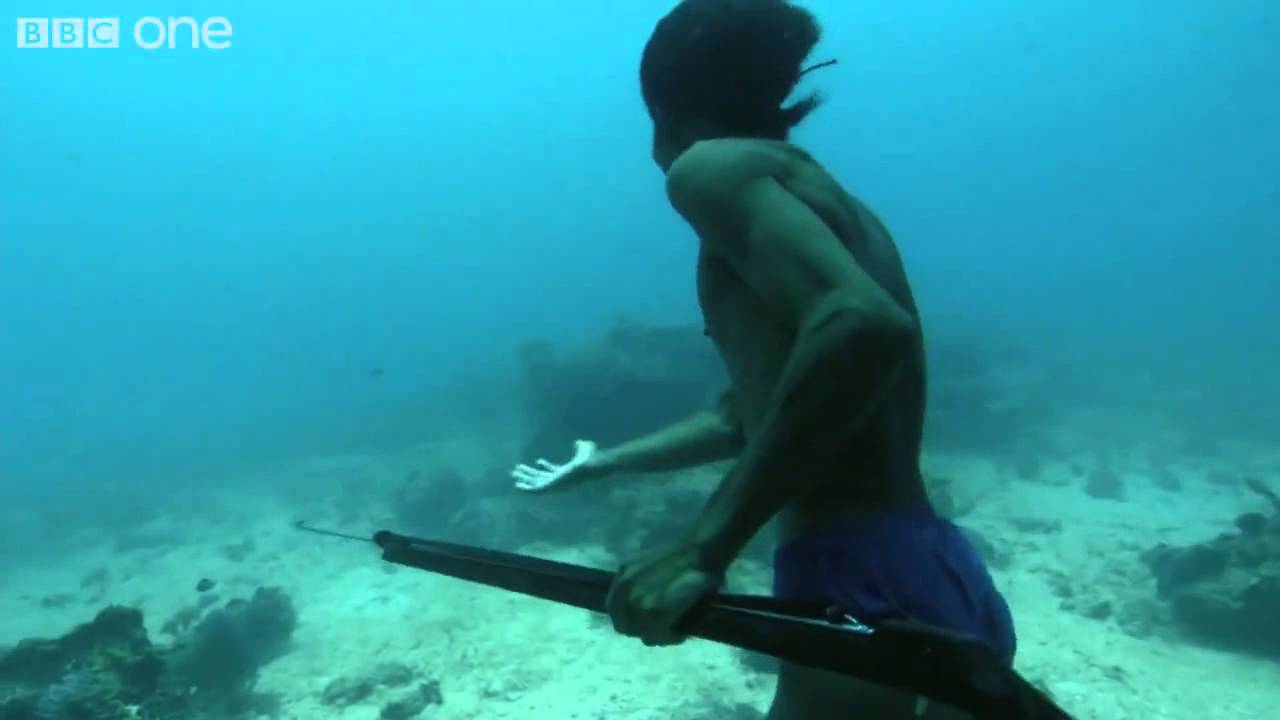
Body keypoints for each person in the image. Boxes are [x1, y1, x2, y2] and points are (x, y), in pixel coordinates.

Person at [512, 1, 1016, 717]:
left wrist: (701, 550)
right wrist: (608, 461)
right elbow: (762, 410)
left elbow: (863, 326)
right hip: (937, 564)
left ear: (661, 103)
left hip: (856, 575)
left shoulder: (707, 171)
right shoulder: (822, 197)